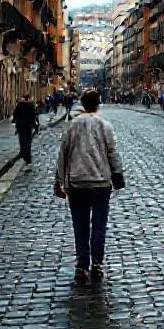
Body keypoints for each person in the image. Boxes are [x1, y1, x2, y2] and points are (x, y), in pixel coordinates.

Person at [55, 89, 125, 284]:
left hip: (76, 182)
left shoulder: (72, 126)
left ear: (83, 104)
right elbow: (113, 153)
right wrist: (118, 175)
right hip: (101, 182)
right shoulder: (105, 125)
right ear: (98, 104)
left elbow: (63, 154)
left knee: (80, 226)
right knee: (99, 225)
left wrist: (58, 181)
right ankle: (97, 264)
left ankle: (82, 265)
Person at [12, 94, 39, 165]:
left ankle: (22, 153)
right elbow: (34, 116)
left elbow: (15, 114)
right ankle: (27, 157)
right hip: (29, 126)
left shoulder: (20, 105)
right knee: (28, 141)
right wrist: (35, 126)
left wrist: (15, 122)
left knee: (22, 141)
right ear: (28, 99)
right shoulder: (31, 105)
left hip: (21, 126)